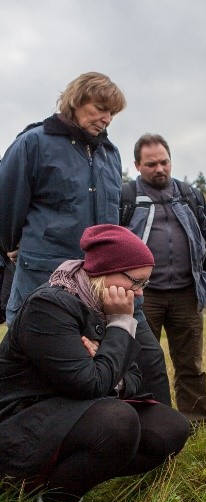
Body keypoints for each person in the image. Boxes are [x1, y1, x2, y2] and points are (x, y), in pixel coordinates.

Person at [0, 72, 171, 406]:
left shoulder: (111, 153)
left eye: (112, 113)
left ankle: (158, 441)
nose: (106, 118)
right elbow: (6, 208)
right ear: (76, 101)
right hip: (45, 285)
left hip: (110, 285)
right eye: (99, 108)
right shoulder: (33, 143)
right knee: (47, 377)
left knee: (147, 361)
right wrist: (15, 246)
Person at [0, 225, 190, 502]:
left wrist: (105, 363)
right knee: (117, 422)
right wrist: (118, 328)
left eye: (145, 283)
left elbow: (134, 375)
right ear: (108, 272)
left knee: (171, 427)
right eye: (136, 281)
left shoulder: (102, 304)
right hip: (23, 420)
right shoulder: (49, 306)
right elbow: (90, 385)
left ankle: (65, 476)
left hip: (73, 411)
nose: (140, 293)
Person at [122, 133, 206, 425]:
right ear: (137, 165)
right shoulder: (125, 198)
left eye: (164, 162)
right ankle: (151, 422)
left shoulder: (190, 196)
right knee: (141, 361)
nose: (159, 168)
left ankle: (196, 421)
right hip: (142, 296)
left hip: (186, 294)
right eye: (151, 164)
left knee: (191, 364)